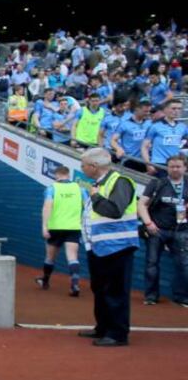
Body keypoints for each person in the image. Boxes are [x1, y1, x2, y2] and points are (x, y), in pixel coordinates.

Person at [78, 148, 139, 347]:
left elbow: (114, 210)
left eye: (83, 164)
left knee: (115, 291)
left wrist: (95, 197)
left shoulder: (120, 182)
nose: (82, 168)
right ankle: (103, 327)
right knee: (100, 290)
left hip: (118, 247)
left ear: (94, 167)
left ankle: (117, 333)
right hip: (99, 246)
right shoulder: (99, 184)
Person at [137, 153, 188, 306]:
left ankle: (181, 297)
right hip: (158, 230)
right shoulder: (157, 183)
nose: (175, 169)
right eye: (172, 166)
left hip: (182, 231)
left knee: (184, 265)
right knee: (152, 263)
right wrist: (148, 223)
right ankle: (151, 296)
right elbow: (142, 204)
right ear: (167, 168)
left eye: (178, 166)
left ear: (185, 168)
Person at [36, 165, 88, 296]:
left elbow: (47, 207)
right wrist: (82, 223)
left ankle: (45, 280)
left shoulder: (52, 188)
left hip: (55, 227)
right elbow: (88, 208)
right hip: (74, 227)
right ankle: (75, 285)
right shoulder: (80, 189)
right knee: (72, 257)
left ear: (56, 175)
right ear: (68, 175)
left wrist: (44, 226)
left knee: (50, 257)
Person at [142, 99, 187, 172]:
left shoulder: (182, 127)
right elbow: (144, 146)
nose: (176, 111)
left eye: (179, 109)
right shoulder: (155, 126)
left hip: (176, 164)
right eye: (173, 108)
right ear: (165, 110)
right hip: (160, 164)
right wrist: (148, 164)